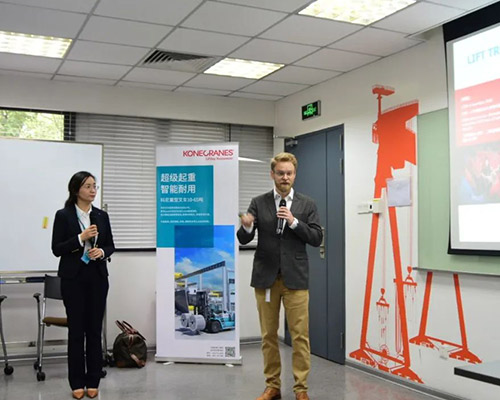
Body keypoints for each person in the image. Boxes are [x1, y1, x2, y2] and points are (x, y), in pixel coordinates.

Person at [237, 152, 323, 400]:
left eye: (289, 173)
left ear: (294, 175)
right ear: (272, 174)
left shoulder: (307, 204)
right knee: (268, 336)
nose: (285, 177)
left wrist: (294, 222)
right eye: (280, 173)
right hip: (266, 278)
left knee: (300, 336)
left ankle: (301, 388)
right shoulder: (259, 202)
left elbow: (316, 238)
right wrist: (247, 226)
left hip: (296, 279)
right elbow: (243, 239)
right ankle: (272, 386)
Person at [52, 171, 115, 399]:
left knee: (94, 330)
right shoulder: (63, 215)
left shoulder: (101, 215)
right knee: (77, 331)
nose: (93, 190)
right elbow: (57, 248)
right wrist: (81, 238)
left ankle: (93, 379)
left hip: (97, 277)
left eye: (94, 186)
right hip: (73, 279)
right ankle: (77, 382)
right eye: (88, 186)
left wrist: (102, 252)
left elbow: (111, 245)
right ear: (76, 189)